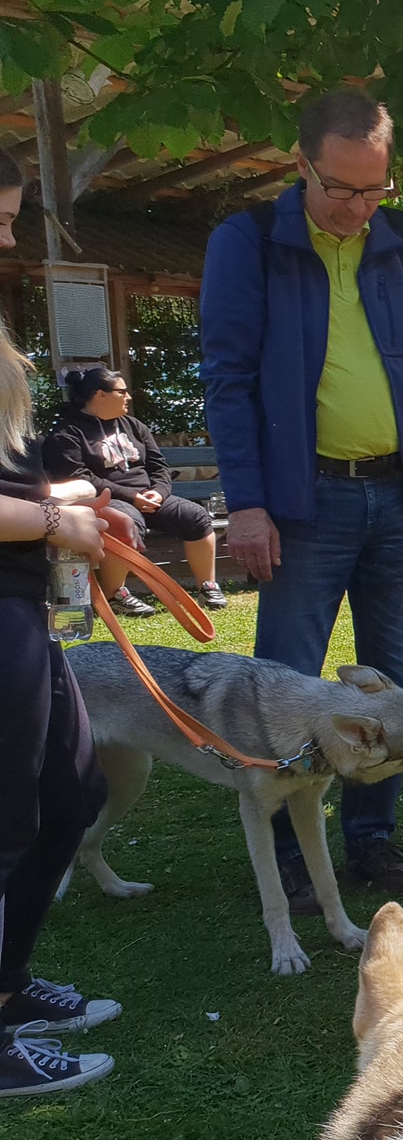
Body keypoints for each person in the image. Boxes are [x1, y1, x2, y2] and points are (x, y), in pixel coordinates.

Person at [200, 87, 403, 906]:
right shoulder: (246, 242)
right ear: (300, 163)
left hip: (396, 499)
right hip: (300, 505)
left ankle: (372, 842)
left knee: (389, 683)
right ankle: (287, 848)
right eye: (340, 188)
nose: (357, 207)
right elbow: (228, 380)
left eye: (375, 189)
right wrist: (246, 503)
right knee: (285, 682)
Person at [0, 314, 128, 1096]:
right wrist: (56, 518)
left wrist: (58, 497)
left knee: (69, 796)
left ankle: (10, 986)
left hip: (25, 600)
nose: (9, 241)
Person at [42, 365, 229, 611]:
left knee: (196, 516)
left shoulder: (133, 426)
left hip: (149, 497)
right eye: (122, 391)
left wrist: (159, 492)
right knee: (125, 522)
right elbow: (79, 477)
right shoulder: (68, 433)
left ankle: (208, 587)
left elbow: (158, 466)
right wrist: (132, 496)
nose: (128, 397)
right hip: (106, 500)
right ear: (101, 395)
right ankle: (115, 596)